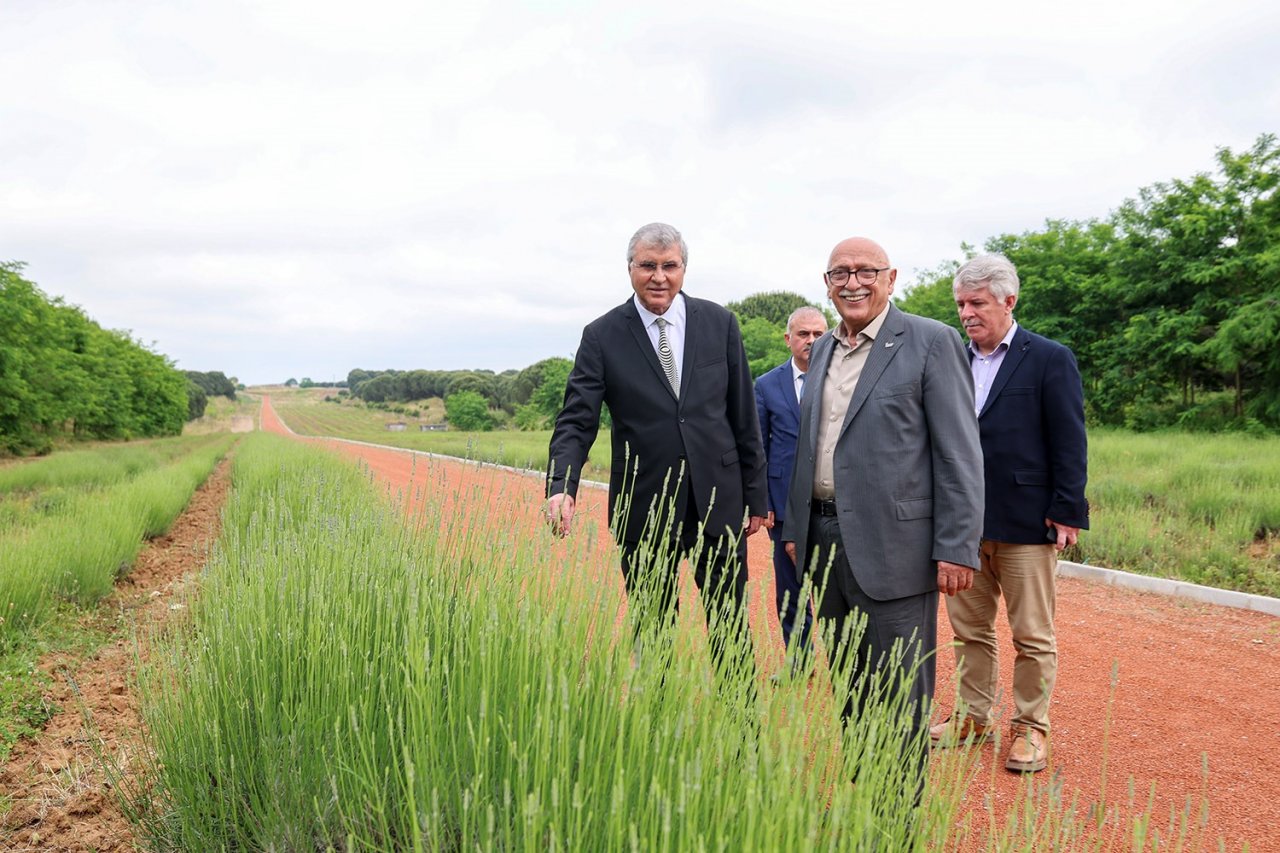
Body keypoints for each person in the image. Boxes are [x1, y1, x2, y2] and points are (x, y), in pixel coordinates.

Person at [782, 236, 983, 771]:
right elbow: (810, 446)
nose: (852, 282)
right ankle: (864, 800)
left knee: (897, 693)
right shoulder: (822, 347)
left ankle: (895, 823)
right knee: (849, 686)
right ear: (826, 284)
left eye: (866, 271)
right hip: (823, 544)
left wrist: (958, 546)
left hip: (897, 549)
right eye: (840, 272)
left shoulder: (930, 341)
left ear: (891, 279)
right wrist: (796, 530)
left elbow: (959, 452)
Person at [545, 222, 768, 677]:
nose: (659, 276)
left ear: (684, 268)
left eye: (670, 265)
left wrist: (757, 494)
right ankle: (660, 731)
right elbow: (577, 418)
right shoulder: (602, 335)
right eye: (648, 265)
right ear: (630, 268)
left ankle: (744, 736)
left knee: (730, 626)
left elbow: (743, 413)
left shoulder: (719, 323)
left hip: (716, 499)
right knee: (653, 628)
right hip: (642, 503)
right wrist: (561, 483)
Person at [929, 253, 1089, 774]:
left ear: (1008, 300)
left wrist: (1067, 510)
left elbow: (1069, 440)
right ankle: (974, 718)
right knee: (969, 631)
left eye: (977, 302)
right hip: (962, 526)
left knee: (1032, 635)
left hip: (1027, 524)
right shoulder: (950, 358)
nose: (967, 313)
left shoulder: (1048, 358)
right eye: (960, 304)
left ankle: (1030, 729)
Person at [755, 306, 827, 664]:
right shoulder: (767, 385)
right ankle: (799, 662)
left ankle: (848, 668)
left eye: (818, 334)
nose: (811, 341)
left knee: (834, 584)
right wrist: (762, 499)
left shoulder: (842, 378)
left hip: (834, 501)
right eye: (803, 334)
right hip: (784, 505)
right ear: (788, 339)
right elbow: (759, 448)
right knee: (791, 587)